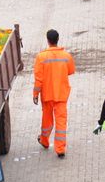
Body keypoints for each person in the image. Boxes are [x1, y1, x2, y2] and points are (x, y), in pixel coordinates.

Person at [33, 29, 76, 158]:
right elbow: (70, 71)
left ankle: (44, 141)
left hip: (47, 95)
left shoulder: (41, 57)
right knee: (61, 121)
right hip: (61, 94)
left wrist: (35, 94)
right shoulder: (66, 56)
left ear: (48, 40)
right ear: (58, 39)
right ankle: (60, 149)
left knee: (47, 120)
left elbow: (38, 79)